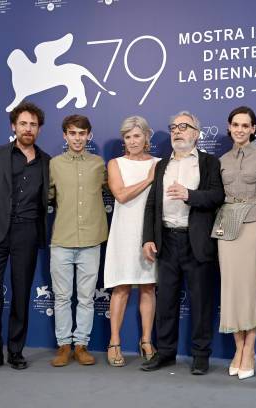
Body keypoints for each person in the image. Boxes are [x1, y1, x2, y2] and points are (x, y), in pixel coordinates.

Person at [0, 101, 51, 373]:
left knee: (22, 294)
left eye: (33, 125)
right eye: (23, 124)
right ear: (14, 126)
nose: (28, 129)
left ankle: (16, 351)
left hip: (27, 232)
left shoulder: (48, 162)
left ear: (39, 129)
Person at [141, 111, 224, 375]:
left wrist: (189, 194)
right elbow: (152, 204)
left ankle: (201, 356)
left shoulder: (209, 162)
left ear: (196, 134)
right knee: (165, 301)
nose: (177, 131)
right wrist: (148, 238)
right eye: (173, 126)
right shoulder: (162, 165)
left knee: (201, 302)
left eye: (184, 126)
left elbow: (216, 196)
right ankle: (165, 353)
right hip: (166, 240)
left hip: (196, 241)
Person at [215, 106, 256, 380]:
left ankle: (250, 349)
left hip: (255, 225)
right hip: (227, 226)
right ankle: (238, 348)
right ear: (229, 127)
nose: (239, 129)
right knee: (232, 289)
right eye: (235, 125)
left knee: (251, 289)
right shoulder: (222, 160)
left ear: (253, 128)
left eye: (245, 125)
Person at [48, 115, 108, 367]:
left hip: (92, 239)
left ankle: (81, 344)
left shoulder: (99, 164)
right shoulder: (53, 164)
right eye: (72, 133)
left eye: (82, 133)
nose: (77, 138)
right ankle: (64, 346)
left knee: (86, 298)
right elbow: (47, 197)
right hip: (62, 239)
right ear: (65, 135)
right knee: (62, 297)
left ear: (88, 135)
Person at [103, 116, 159, 367]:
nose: (133, 141)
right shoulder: (115, 163)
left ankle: (146, 341)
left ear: (147, 137)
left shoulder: (160, 163)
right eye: (128, 136)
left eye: (137, 135)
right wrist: (148, 179)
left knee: (148, 286)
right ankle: (114, 342)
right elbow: (122, 195)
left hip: (150, 233)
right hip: (124, 231)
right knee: (121, 287)